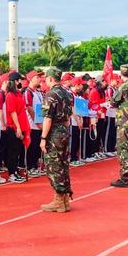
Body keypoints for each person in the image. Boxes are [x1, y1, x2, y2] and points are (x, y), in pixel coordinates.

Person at [40, 67, 74, 212]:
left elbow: (48, 119)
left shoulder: (51, 94)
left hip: (54, 132)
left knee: (54, 165)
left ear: (51, 79)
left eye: (46, 79)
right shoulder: (67, 93)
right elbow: (68, 116)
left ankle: (59, 199)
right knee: (63, 163)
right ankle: (65, 198)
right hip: (64, 130)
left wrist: (43, 138)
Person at [5, 72, 30, 183]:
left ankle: (15, 171)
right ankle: (12, 173)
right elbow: (12, 112)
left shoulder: (18, 94)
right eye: (20, 80)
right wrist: (18, 127)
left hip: (21, 126)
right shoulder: (10, 95)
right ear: (15, 81)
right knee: (13, 151)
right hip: (14, 127)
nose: (21, 82)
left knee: (18, 150)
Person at [109, 64, 128, 187]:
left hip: (126, 123)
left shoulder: (124, 87)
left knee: (124, 150)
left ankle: (126, 178)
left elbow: (113, 102)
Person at [24, 71, 44, 177]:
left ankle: (35, 166)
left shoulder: (38, 92)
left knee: (37, 147)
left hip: (39, 123)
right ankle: (30, 167)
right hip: (32, 124)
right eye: (37, 77)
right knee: (31, 147)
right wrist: (37, 122)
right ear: (31, 79)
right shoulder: (28, 92)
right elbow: (29, 108)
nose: (39, 79)